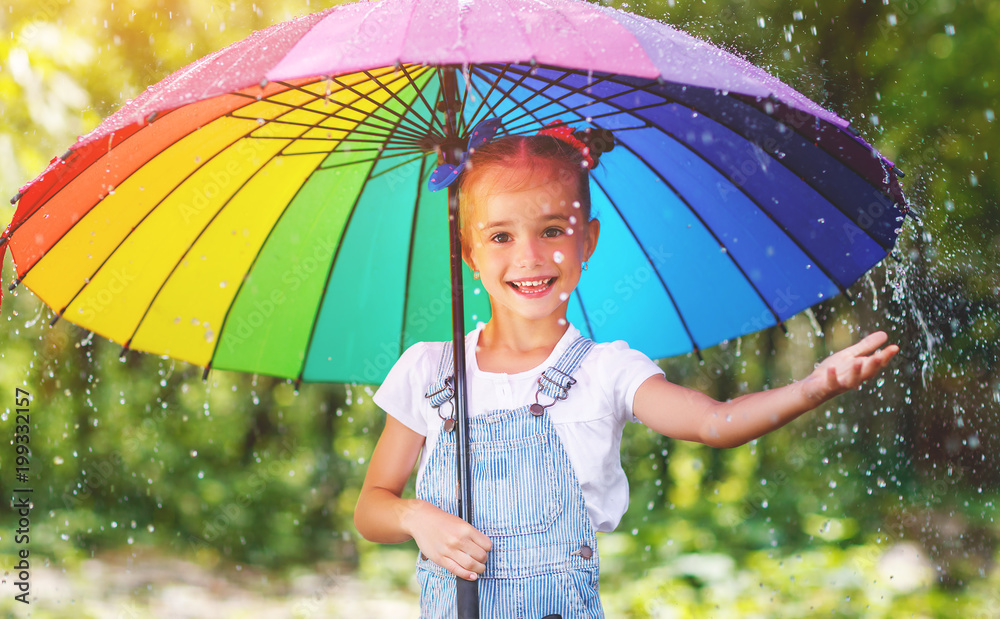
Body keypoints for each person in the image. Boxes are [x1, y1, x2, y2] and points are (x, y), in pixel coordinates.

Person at [353, 119, 899, 618]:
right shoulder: (431, 370)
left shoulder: (606, 371)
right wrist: (415, 518)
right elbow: (371, 507)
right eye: (500, 236)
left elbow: (715, 423)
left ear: (587, 239)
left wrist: (812, 386)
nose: (528, 257)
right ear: (467, 251)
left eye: (551, 230)